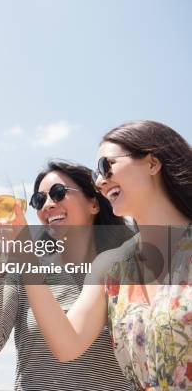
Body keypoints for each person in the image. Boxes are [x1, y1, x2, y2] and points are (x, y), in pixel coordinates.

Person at [23, 121, 191, 390]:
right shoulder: (111, 266)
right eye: (95, 176)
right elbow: (67, 345)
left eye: (106, 166)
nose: (100, 182)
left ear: (151, 163)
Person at [0, 160, 133, 390]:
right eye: (38, 200)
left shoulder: (125, 270)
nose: (47, 205)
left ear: (94, 204)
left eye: (58, 193)